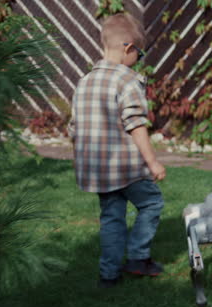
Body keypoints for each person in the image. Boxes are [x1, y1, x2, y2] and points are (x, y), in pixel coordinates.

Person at [69, 12, 166, 288]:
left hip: (98, 171)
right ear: (128, 48)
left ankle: (108, 276)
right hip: (126, 168)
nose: (139, 59)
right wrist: (153, 163)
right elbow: (136, 125)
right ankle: (138, 256)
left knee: (111, 217)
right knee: (151, 203)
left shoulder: (84, 82)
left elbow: (74, 129)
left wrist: (82, 161)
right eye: (140, 53)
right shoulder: (127, 81)